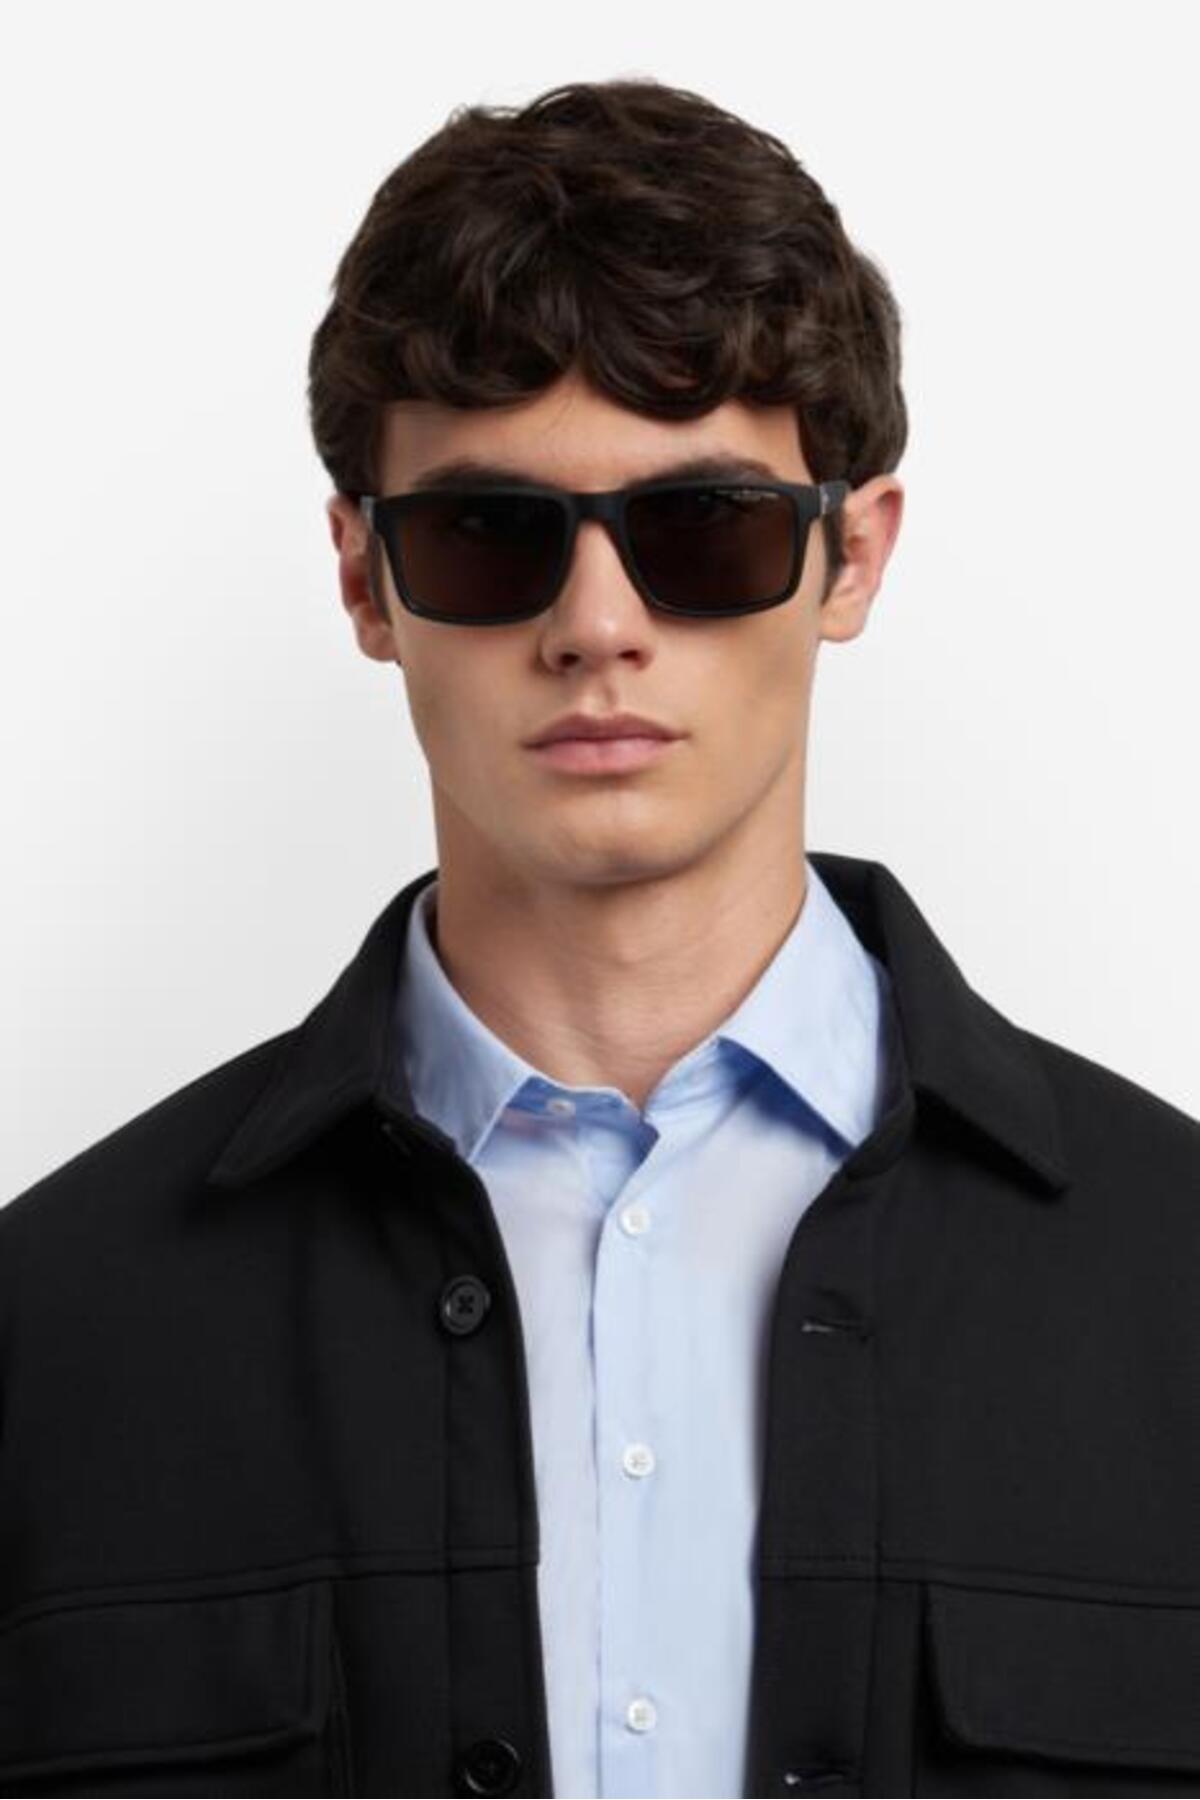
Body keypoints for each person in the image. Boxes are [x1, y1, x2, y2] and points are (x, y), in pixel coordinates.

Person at [2, 76, 1197, 1800]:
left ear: (852, 557)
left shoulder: (1176, 1285)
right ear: (364, 579)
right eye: (489, 536)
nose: (597, 624)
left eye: (703, 528)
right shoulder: (54, 1324)